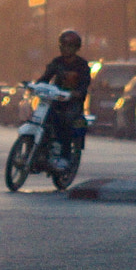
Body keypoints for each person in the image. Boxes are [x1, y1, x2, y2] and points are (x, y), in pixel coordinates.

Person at [35, 29, 91, 168]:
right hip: (55, 100)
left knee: (64, 123)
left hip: (72, 104)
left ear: (76, 48)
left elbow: (85, 84)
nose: (66, 49)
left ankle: (64, 156)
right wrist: (36, 86)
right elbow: (45, 77)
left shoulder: (82, 65)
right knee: (43, 119)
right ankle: (41, 150)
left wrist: (76, 93)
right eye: (64, 45)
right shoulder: (57, 62)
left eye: (70, 46)